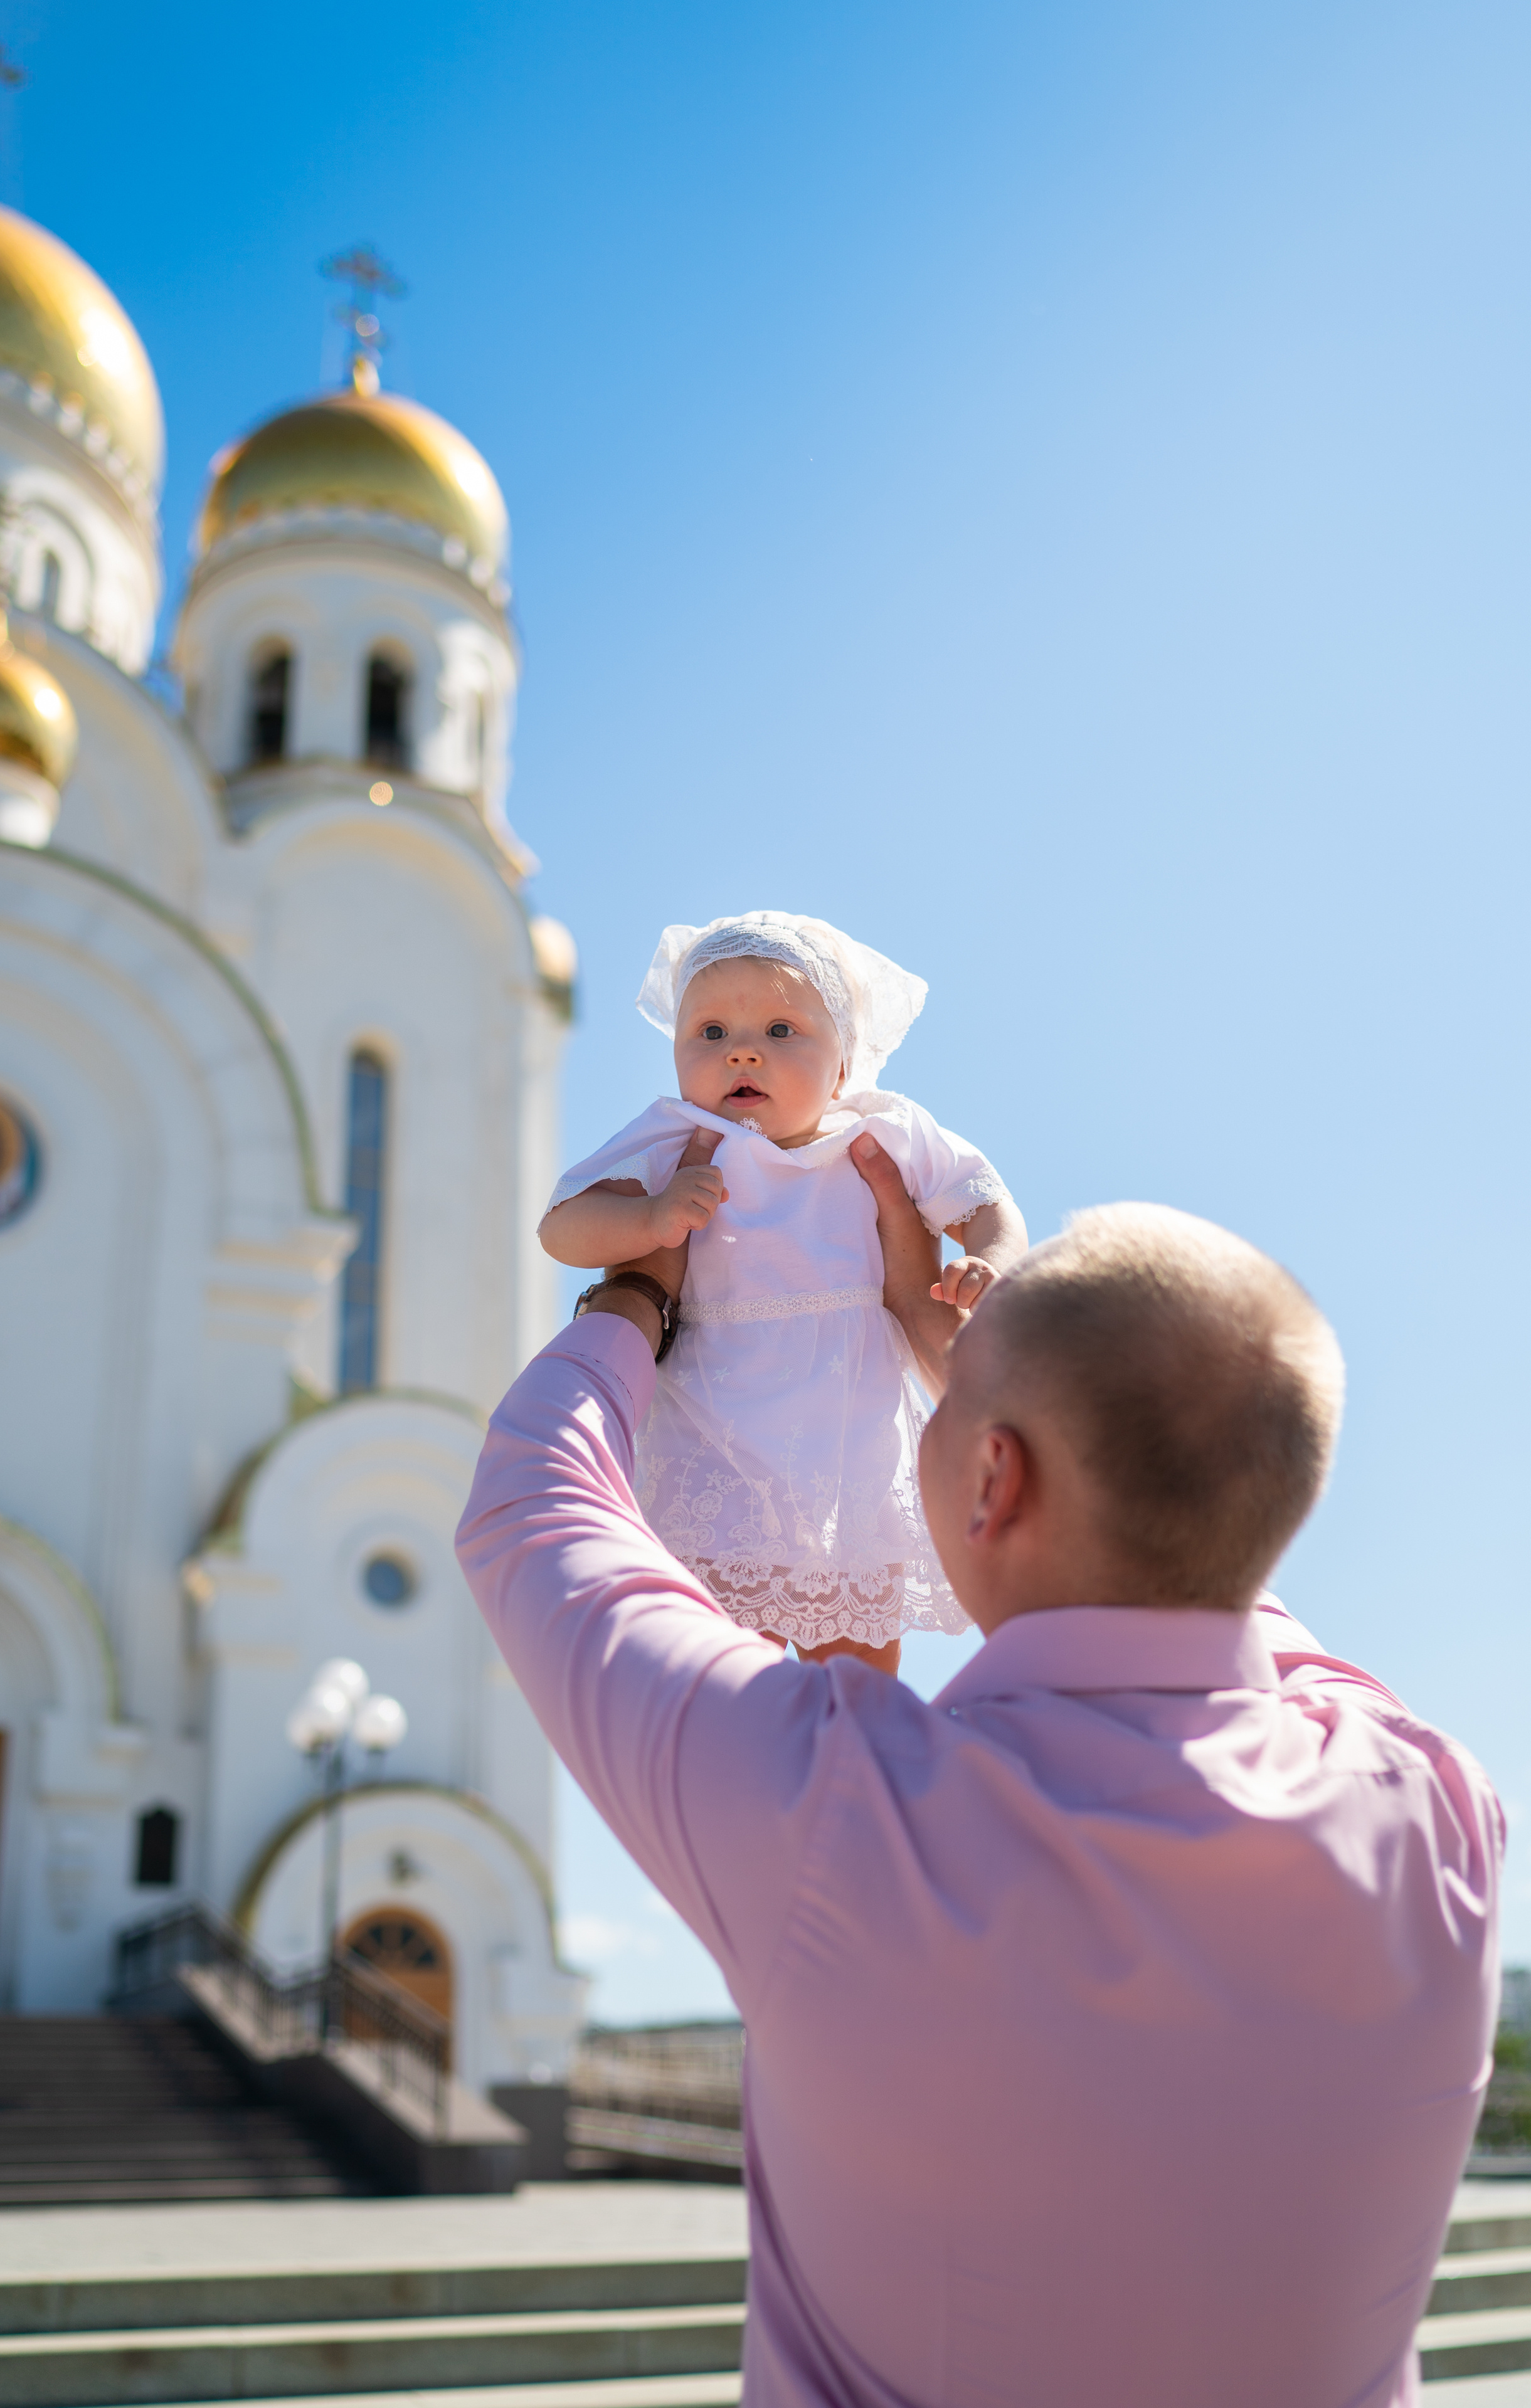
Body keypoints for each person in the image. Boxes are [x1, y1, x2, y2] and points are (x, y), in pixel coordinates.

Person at [457, 1138, 1502, 2407]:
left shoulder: (834, 1807)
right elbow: (1207, 1541)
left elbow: (535, 1506)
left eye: (938, 1417)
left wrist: (636, 1295)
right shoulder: (1434, 1810)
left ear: (993, 1476)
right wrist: (1019, 1384)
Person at [539, 911, 1026, 1670]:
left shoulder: (883, 1130)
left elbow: (984, 1199)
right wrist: (650, 1216)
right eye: (709, 1033)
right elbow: (563, 1229)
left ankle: (854, 1746)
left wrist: (992, 1261)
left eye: (779, 1030)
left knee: (857, 1670)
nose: (741, 1050)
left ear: (843, 1065)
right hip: (714, 1435)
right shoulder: (675, 1136)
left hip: (850, 1445)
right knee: (728, 1668)